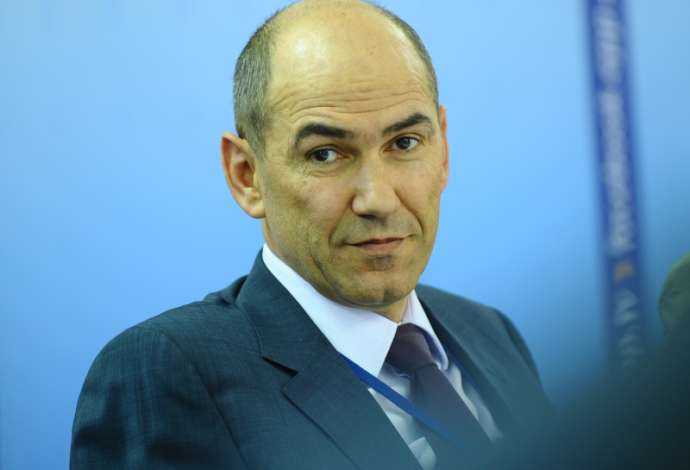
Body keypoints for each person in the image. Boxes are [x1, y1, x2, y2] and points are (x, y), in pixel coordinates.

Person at [70, 1, 550, 469]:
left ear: (442, 151)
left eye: (404, 143)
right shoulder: (169, 371)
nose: (378, 199)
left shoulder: (490, 333)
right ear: (246, 175)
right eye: (325, 154)